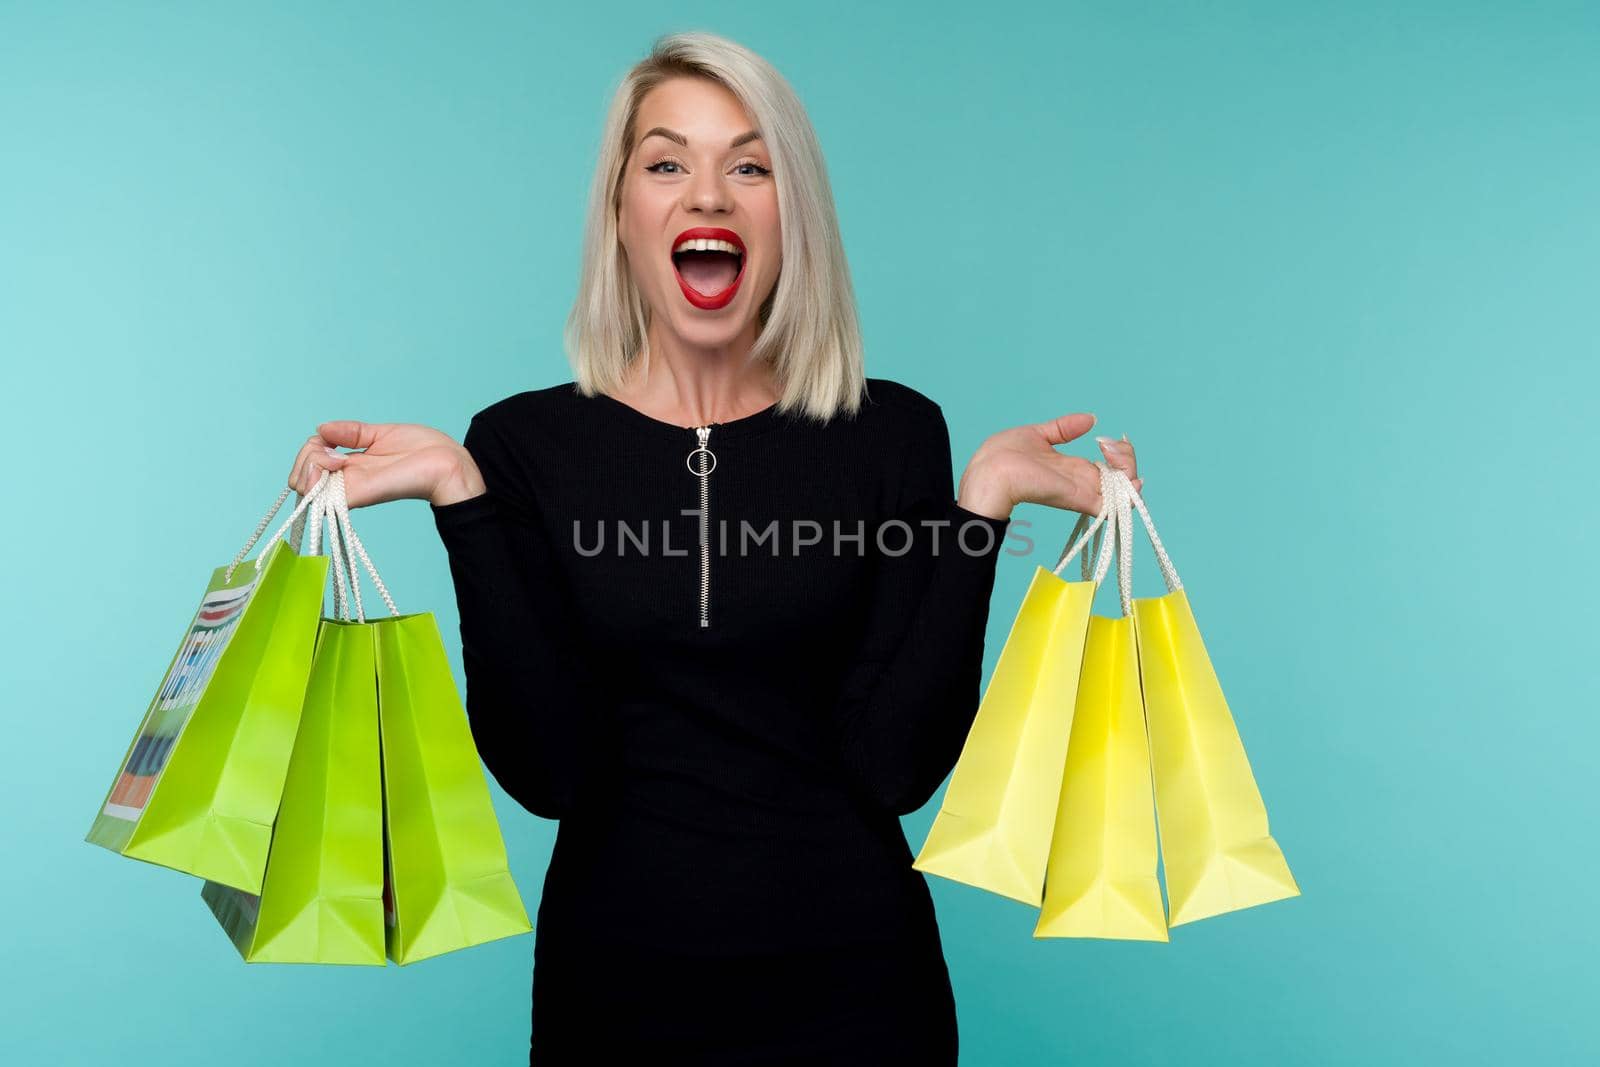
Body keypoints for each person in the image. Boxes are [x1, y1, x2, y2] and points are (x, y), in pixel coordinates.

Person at [283, 31, 1141, 1066]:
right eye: (665, 163)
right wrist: (464, 501)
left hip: (858, 986)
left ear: (793, 214)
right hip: (615, 986)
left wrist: (981, 509)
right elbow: (552, 772)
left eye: (748, 164)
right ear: (621, 212)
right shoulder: (521, 443)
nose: (708, 197)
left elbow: (896, 766)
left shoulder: (892, 433)